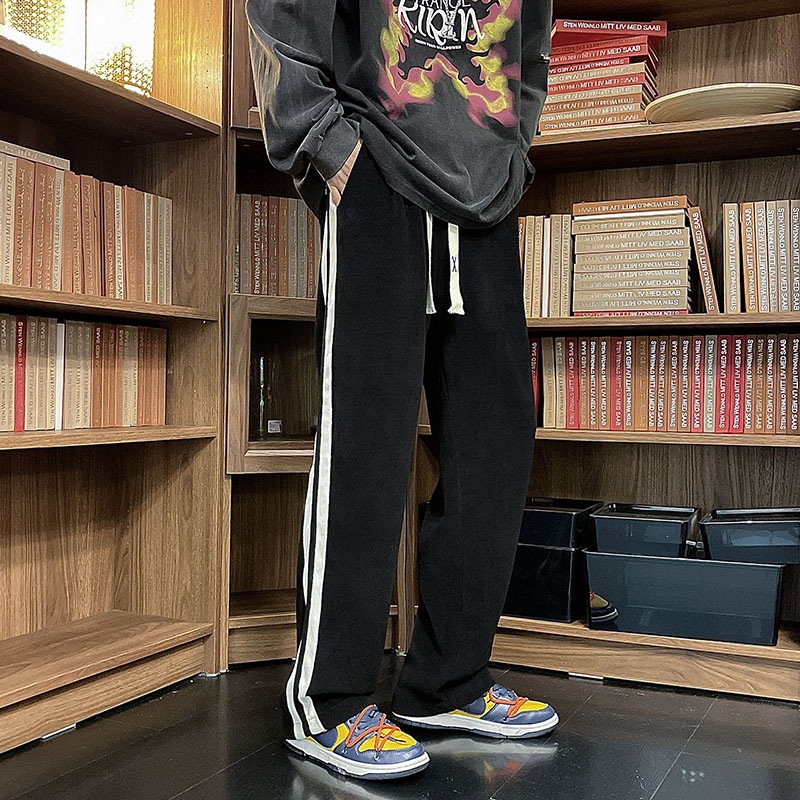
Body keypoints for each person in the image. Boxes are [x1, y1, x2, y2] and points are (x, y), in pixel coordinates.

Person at [246, 0, 557, 781]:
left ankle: (448, 682)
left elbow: (533, 42)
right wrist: (325, 143)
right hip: (376, 168)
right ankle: (329, 700)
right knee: (367, 441)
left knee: (497, 436)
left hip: (485, 192)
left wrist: (515, 148)